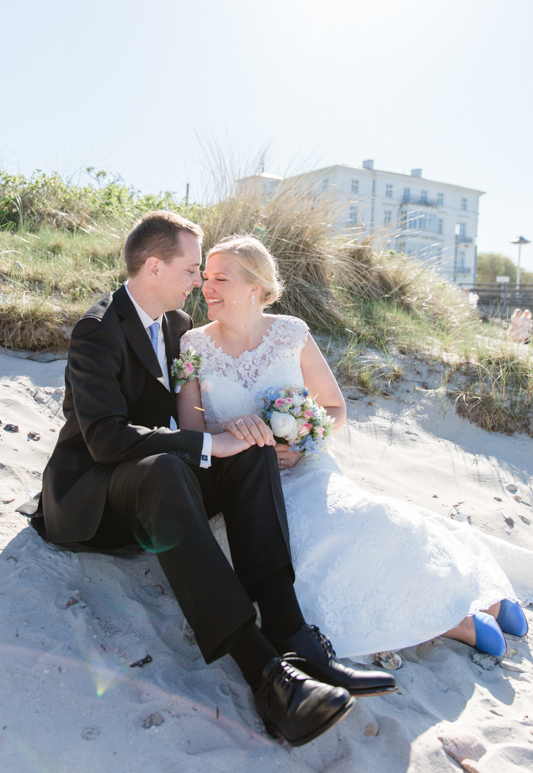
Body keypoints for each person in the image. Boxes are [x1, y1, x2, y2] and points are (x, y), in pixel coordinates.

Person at [22, 211, 398, 748]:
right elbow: (105, 440)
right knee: (166, 468)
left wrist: (240, 436)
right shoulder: (97, 330)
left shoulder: (178, 329)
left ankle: (294, 638)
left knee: (251, 448)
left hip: (157, 488)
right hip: (93, 499)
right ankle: (267, 676)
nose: (200, 282)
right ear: (153, 266)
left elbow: (199, 413)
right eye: (192, 269)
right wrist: (204, 443)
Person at [177, 235, 532, 662]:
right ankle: (454, 620)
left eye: (220, 278)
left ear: (256, 288)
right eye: (205, 277)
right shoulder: (194, 345)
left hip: (307, 469)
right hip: (244, 487)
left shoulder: (291, 333)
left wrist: (303, 445)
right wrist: (233, 438)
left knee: (371, 518)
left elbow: (333, 407)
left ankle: (475, 594)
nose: (207, 287)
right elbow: (192, 431)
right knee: (321, 543)